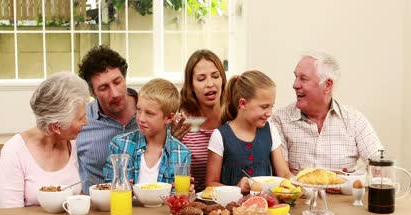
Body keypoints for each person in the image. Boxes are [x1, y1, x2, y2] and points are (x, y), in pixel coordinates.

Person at [272, 50, 383, 174]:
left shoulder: (354, 120)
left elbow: (380, 168)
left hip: (345, 194)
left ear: (327, 85)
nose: (295, 85)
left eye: (303, 78)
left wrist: (350, 179)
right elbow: (282, 176)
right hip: (299, 194)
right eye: (296, 77)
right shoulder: (280, 119)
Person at [0, 72, 89, 208]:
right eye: (80, 118)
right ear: (56, 126)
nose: (86, 122)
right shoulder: (14, 151)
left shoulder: (73, 143)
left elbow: (78, 197)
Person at [205, 70, 293, 194]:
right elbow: (210, 184)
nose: (269, 113)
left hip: (266, 209)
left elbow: (284, 173)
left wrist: (299, 182)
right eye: (264, 107)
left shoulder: (271, 130)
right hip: (232, 209)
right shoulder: (220, 135)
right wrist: (236, 188)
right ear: (243, 104)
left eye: (271, 106)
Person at [103, 79, 191, 184]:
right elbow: (109, 188)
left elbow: (178, 196)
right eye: (139, 110)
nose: (141, 118)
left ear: (168, 117)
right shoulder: (120, 145)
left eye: (149, 113)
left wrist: (186, 193)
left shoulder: (182, 154)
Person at [76, 45, 138, 194]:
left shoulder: (153, 111)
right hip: (97, 210)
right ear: (92, 92)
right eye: (104, 88)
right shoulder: (80, 121)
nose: (115, 93)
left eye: (117, 82)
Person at [171, 49, 227, 192]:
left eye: (215, 76)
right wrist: (170, 143)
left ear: (222, 80)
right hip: (190, 202)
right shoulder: (181, 123)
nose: (210, 83)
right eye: (201, 79)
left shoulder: (234, 118)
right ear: (191, 87)